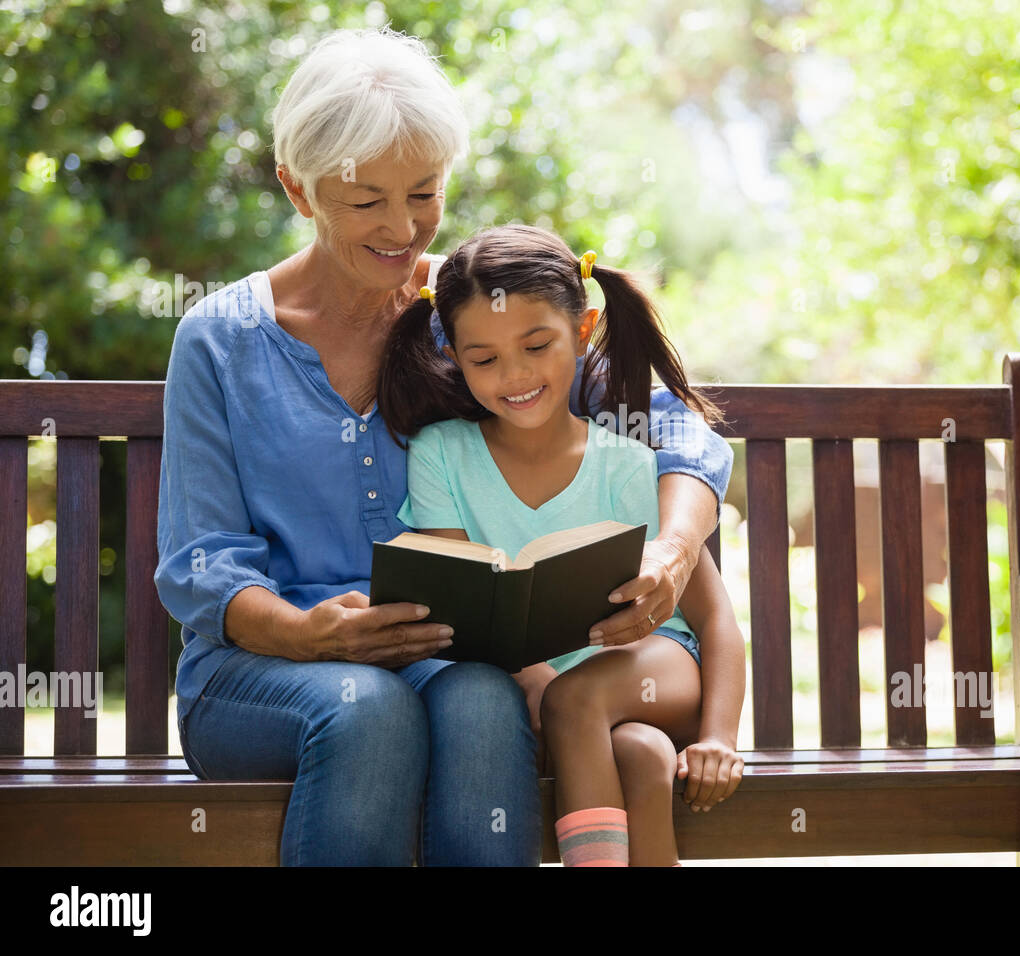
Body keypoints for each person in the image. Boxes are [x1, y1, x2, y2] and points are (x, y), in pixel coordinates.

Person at [154, 27, 733, 866]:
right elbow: (201, 562)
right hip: (257, 675)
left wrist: (675, 553)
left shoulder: (475, 321)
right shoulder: (220, 340)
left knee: (479, 700)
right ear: (297, 188)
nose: (403, 229)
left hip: (439, 662)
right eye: (366, 202)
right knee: (364, 706)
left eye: (424, 192)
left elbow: (672, 427)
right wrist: (308, 634)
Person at [377, 224, 747, 867]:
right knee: (640, 753)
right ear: (455, 356)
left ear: (581, 331)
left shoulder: (630, 465)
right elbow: (470, 608)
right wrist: (535, 683)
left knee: (576, 700)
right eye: (484, 359)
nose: (514, 376)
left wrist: (719, 736)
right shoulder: (441, 455)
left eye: (536, 346)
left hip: (657, 671)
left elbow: (713, 618)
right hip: (554, 698)